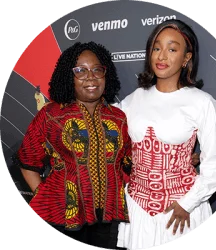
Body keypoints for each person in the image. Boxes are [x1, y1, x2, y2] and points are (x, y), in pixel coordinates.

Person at [115, 19, 216, 249]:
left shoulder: (202, 103)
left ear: (186, 58)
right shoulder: (132, 100)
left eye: (172, 49)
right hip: (138, 210)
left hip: (180, 214)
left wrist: (187, 203)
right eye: (157, 48)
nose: (161, 56)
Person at [13, 41, 132, 249]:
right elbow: (27, 160)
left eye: (97, 70)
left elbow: (129, 161)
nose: (90, 77)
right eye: (80, 71)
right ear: (69, 77)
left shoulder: (119, 118)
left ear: (106, 74)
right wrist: (43, 195)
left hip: (108, 219)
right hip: (61, 216)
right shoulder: (51, 115)